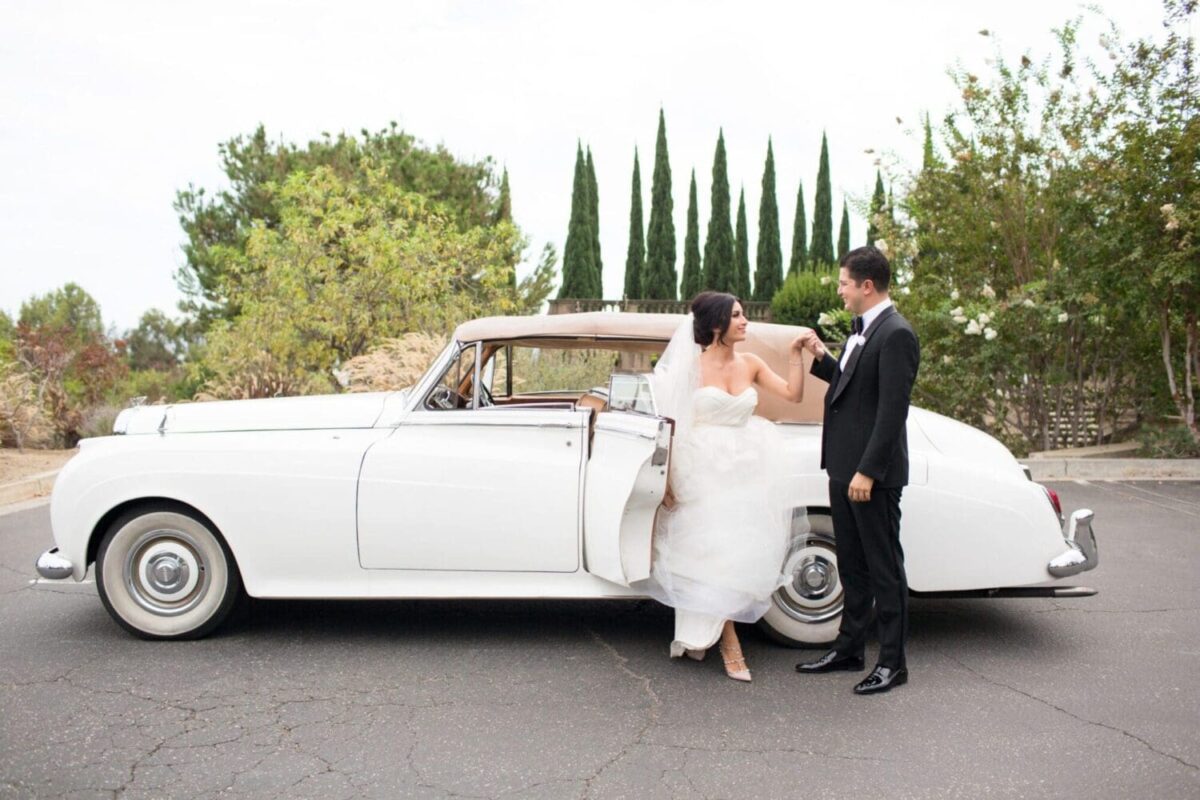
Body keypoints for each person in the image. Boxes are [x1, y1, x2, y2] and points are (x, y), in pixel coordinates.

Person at [643, 291, 810, 682]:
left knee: (738, 550)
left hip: (747, 465)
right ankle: (730, 642)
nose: (745, 321)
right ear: (717, 324)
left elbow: (793, 394)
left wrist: (795, 355)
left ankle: (711, 631)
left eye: (744, 314)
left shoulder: (750, 363)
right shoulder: (690, 368)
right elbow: (670, 425)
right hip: (702, 467)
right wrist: (666, 478)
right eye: (737, 316)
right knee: (710, 552)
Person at [795, 246, 920, 695]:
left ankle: (893, 664)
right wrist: (820, 355)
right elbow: (852, 386)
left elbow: (891, 412)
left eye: (844, 282)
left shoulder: (896, 334)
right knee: (853, 567)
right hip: (843, 470)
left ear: (867, 286)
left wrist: (868, 471)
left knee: (885, 570)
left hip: (872, 477)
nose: (840, 290)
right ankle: (849, 650)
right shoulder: (862, 331)